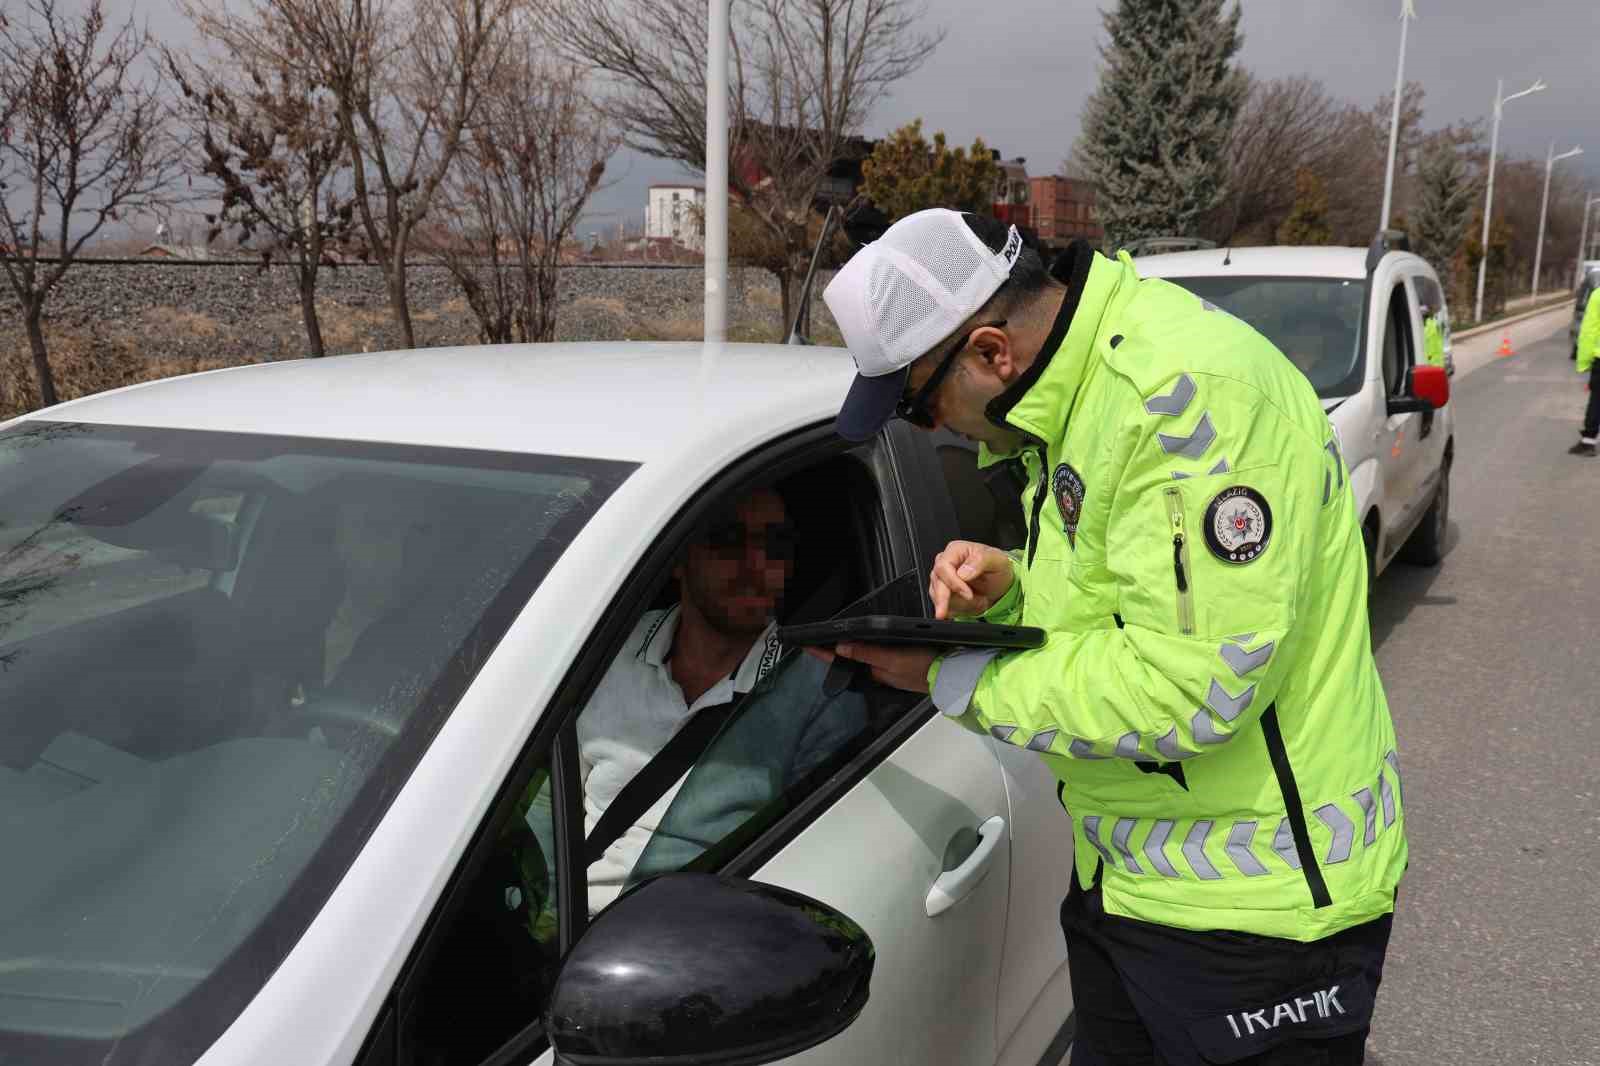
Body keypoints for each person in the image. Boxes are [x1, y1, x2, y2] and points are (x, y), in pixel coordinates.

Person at [816, 209, 1406, 1066]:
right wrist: (1013, 583)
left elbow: (1193, 688)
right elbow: (1129, 594)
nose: (931, 430)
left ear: (989, 353)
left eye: (917, 403)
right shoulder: (1080, 391)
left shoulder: (1184, 408)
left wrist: (954, 679)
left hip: (1257, 917)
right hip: (1128, 881)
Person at [1569, 283, 1600, 456]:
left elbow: (1589, 330)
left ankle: (1588, 442)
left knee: (1597, 400)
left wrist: (1584, 361)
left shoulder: (1598, 296)